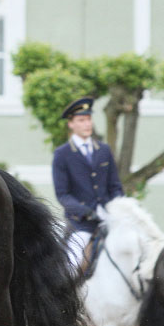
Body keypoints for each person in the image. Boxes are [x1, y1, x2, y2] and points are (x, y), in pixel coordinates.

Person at [51, 97, 124, 264]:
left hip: (110, 219)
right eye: (81, 120)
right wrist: (86, 212)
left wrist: (117, 208)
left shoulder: (104, 150)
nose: (87, 124)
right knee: (74, 261)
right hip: (82, 224)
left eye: (89, 119)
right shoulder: (62, 154)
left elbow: (115, 186)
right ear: (71, 124)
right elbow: (63, 195)